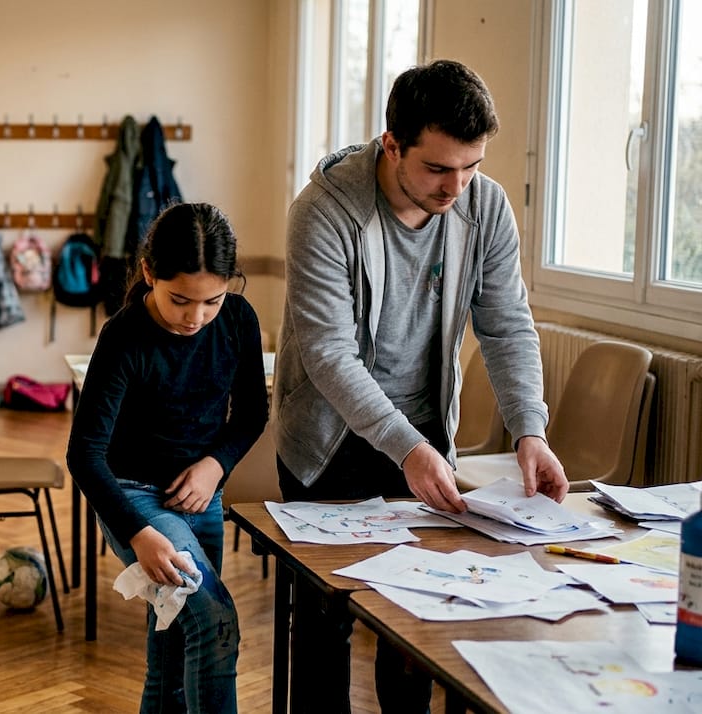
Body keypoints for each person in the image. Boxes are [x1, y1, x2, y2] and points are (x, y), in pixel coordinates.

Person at [274, 59, 569, 713]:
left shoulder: (482, 205)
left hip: (425, 437)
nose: (456, 187)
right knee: (327, 620)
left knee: (415, 621)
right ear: (392, 146)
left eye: (471, 166)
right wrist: (403, 447)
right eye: (438, 168)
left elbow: (508, 325)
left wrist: (529, 429)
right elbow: (327, 353)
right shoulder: (324, 212)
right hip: (328, 440)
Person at [67, 202, 268, 713]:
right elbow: (84, 454)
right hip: (134, 499)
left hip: (203, 499)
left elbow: (250, 416)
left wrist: (215, 464)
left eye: (212, 301)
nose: (195, 318)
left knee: (175, 647)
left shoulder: (239, 321)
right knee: (214, 621)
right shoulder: (123, 336)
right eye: (180, 300)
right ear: (149, 273)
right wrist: (138, 533)